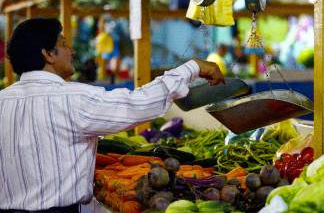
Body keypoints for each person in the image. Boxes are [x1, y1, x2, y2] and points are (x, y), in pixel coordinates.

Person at [0, 18, 224, 212]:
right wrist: (191, 67)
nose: (72, 51)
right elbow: (136, 103)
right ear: (48, 54)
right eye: (64, 44)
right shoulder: (73, 98)